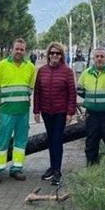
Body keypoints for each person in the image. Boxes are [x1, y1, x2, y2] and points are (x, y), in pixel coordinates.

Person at [0, 38, 36, 183]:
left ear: (25, 50)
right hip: (7, 111)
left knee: (21, 141)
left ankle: (17, 168)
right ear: (12, 49)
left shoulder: (30, 67)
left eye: (22, 49)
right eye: (17, 49)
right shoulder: (1, 66)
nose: (19, 52)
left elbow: (30, 88)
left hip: (23, 111)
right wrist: (3, 102)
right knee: (2, 140)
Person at [33, 42, 76, 185]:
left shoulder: (67, 71)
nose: (54, 55)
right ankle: (52, 167)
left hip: (60, 112)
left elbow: (72, 93)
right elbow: (37, 92)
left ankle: (57, 171)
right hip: (46, 111)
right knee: (51, 140)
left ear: (61, 55)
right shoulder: (42, 71)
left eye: (57, 53)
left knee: (57, 140)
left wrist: (70, 112)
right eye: (52, 53)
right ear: (48, 55)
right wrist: (36, 110)